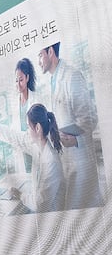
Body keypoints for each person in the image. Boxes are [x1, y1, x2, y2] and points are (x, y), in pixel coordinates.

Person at [38, 42, 101, 209]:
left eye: (40, 55)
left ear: (50, 52)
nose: (38, 62)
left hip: (81, 162)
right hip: (68, 162)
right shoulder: (53, 80)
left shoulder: (72, 76)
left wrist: (76, 140)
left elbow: (90, 118)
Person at [0, 103, 66, 213]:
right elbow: (18, 138)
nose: (27, 131)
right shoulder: (38, 146)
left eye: (28, 126)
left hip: (52, 217)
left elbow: (40, 205)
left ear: (37, 128)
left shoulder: (50, 161)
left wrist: (20, 194)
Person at [15, 58, 38, 173]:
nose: (18, 84)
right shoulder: (15, 102)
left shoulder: (36, 99)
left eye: (21, 80)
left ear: (27, 78)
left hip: (34, 148)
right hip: (22, 150)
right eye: (16, 81)